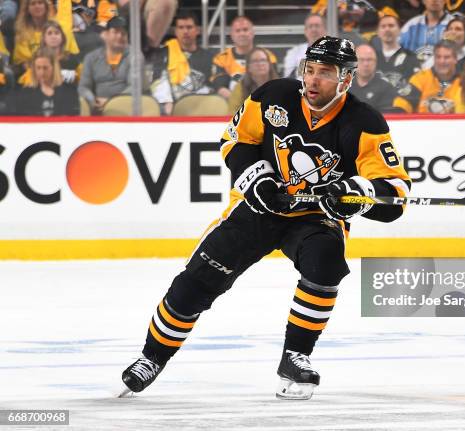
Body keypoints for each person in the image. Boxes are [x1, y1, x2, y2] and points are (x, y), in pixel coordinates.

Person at [119, 36, 411, 401]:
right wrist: (257, 178)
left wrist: (358, 195)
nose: (313, 80)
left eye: (325, 73)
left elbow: (395, 196)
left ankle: (296, 356)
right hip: (257, 210)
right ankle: (151, 358)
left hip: (314, 217)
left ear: (346, 79)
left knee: (326, 262)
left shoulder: (365, 122)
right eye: (310, 69)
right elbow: (234, 141)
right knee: (195, 283)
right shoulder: (274, 95)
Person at [149, 11, 215, 115]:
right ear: (176, 31)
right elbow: (157, 82)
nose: (185, 31)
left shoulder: (208, 57)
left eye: (189, 27)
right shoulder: (163, 54)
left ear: (197, 30)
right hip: (170, 109)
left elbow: (212, 87)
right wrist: (167, 103)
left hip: (200, 109)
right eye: (181, 27)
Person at [78, 15, 147, 114]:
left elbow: (134, 87)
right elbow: (83, 87)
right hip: (96, 109)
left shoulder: (135, 56)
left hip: (127, 109)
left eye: (123, 33)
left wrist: (111, 102)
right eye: (115, 32)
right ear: (106, 34)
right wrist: (93, 100)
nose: (119, 36)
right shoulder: (91, 58)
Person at [211, 16, 277, 99]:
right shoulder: (221, 59)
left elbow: (274, 85)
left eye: (245, 30)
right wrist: (239, 101)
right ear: (232, 34)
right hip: (232, 104)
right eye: (238, 31)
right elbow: (220, 87)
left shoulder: (268, 56)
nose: (242, 34)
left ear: (252, 32)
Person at [12, 0, 79, 77]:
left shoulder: (60, 29)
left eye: (40, 3)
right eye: (33, 4)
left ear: (46, 6)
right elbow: (23, 63)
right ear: (27, 8)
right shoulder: (22, 34)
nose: (37, 6)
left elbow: (72, 58)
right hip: (31, 77)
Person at [10, 48, 79, 115]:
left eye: (45, 68)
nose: (41, 72)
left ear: (54, 68)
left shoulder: (70, 92)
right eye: (38, 68)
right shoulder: (25, 94)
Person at [401, 39, 461, 113]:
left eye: (447, 57)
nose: (442, 61)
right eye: (438, 57)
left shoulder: (464, 81)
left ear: (455, 59)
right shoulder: (420, 78)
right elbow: (403, 103)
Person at [350, 43, 410, 112]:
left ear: (375, 62)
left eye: (369, 60)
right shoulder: (345, 88)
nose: (365, 64)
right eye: (361, 60)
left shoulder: (387, 88)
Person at [371, 14, 420, 89]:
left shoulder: (411, 57)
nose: (387, 29)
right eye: (383, 26)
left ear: (400, 30)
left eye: (391, 26)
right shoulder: (370, 58)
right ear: (377, 32)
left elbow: (415, 87)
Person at [400, 0, 453, 65]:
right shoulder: (411, 25)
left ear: (445, 1)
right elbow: (396, 50)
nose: (434, 1)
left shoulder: (454, 26)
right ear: (423, 1)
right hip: (413, 72)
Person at [227, 47, 278, 114]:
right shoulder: (240, 87)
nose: (260, 64)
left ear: (269, 65)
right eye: (255, 61)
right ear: (249, 67)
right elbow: (232, 112)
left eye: (263, 60)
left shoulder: (280, 86)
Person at [283, 13, 327, 79]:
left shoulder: (335, 52)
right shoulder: (295, 53)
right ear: (305, 31)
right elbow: (290, 77)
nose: (314, 29)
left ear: (325, 30)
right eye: (310, 26)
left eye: (317, 26)